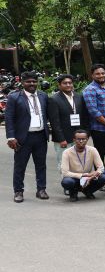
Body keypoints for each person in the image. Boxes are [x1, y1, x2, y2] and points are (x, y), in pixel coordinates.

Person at [6, 71, 50, 202]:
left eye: (34, 81)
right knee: (20, 165)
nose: (32, 84)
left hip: (41, 136)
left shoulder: (43, 96)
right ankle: (18, 191)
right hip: (22, 138)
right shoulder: (14, 97)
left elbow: (47, 114)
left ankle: (41, 189)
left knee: (41, 165)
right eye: (28, 81)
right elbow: (9, 118)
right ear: (22, 83)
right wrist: (10, 137)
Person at [48, 73, 89, 173]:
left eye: (70, 83)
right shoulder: (54, 99)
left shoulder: (79, 97)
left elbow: (84, 117)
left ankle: (77, 184)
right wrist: (61, 139)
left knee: (78, 162)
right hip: (63, 138)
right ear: (59, 85)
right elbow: (54, 122)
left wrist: (86, 134)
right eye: (65, 83)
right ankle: (67, 185)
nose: (68, 85)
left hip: (78, 136)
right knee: (64, 163)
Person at [60, 129, 105, 201]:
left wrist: (94, 175)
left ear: (87, 139)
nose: (81, 141)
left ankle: (88, 191)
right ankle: (73, 192)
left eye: (83, 139)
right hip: (74, 178)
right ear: (74, 140)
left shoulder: (93, 150)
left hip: (88, 178)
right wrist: (84, 175)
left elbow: (101, 167)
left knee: (104, 177)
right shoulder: (66, 152)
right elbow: (65, 172)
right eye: (78, 139)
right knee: (67, 182)